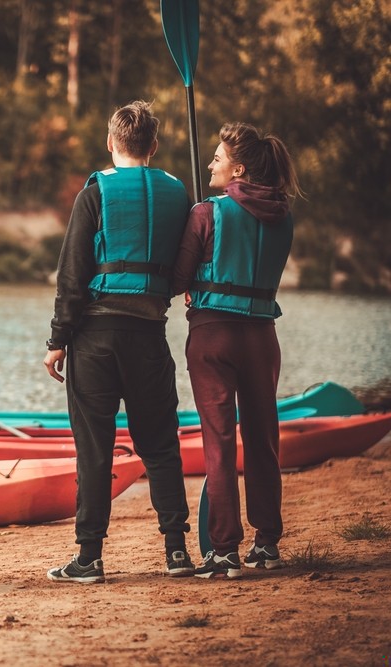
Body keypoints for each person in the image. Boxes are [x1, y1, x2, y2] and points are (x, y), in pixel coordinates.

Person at [43, 100, 194, 583]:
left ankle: (89, 559)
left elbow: (72, 273)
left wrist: (57, 339)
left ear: (111, 142)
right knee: (161, 446)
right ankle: (177, 552)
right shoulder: (178, 194)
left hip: (95, 339)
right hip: (149, 336)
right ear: (153, 145)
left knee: (95, 449)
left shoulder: (95, 193)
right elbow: (185, 268)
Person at [172, 122, 300, 578]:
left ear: (238, 169)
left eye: (218, 157)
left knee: (219, 442)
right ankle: (267, 543)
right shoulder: (283, 215)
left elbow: (177, 280)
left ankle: (224, 549)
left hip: (212, 338)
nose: (211, 162)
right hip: (262, 338)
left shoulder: (207, 212)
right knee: (264, 439)